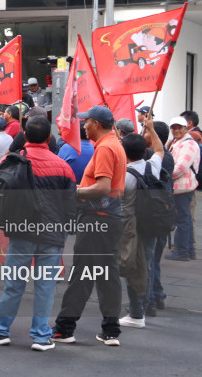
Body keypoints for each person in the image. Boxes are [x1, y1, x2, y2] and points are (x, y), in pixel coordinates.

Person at [0, 117, 76, 351]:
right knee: (46, 287)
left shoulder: (11, 161)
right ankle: (41, 336)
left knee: (14, 284)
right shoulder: (63, 166)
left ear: (24, 135)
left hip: (21, 232)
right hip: (52, 235)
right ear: (49, 138)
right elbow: (71, 206)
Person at [52, 105, 126, 347]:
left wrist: (75, 193)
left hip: (97, 218)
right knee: (107, 275)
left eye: (86, 121)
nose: (83, 125)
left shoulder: (105, 147)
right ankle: (110, 330)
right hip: (108, 218)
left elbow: (103, 186)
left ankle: (65, 328)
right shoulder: (113, 144)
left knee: (82, 274)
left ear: (96, 124)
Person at [118, 119, 164, 329]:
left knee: (132, 267)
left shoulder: (123, 175)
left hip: (130, 226)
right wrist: (152, 130)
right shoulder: (151, 166)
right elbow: (160, 150)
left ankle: (136, 313)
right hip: (151, 223)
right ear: (145, 150)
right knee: (147, 264)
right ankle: (143, 307)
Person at [143, 121, 173, 315]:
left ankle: (150, 301)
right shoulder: (166, 156)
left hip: (154, 215)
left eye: (146, 132)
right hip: (163, 214)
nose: (143, 134)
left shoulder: (154, 157)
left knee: (149, 260)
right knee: (154, 259)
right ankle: (158, 294)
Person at [165, 116, 200, 261]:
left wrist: (166, 177)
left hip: (182, 187)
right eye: (173, 128)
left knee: (182, 219)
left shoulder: (189, 144)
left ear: (186, 128)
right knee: (185, 218)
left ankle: (182, 251)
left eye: (179, 127)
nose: (176, 130)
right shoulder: (177, 142)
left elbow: (180, 167)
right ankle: (188, 250)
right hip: (181, 187)